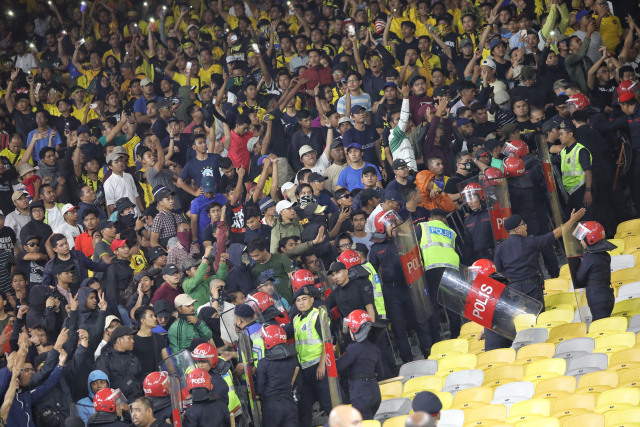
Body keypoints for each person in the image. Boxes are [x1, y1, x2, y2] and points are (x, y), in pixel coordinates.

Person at [490, 209, 586, 349]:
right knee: (538, 322)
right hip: (532, 288)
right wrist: (571, 221)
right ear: (517, 229)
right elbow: (555, 234)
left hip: (513, 292)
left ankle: (527, 350)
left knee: (521, 324)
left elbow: (499, 274)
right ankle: (542, 348)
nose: (526, 226)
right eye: (523, 224)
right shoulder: (530, 242)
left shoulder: (500, 249)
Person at [369, 211, 432, 362]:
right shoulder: (376, 249)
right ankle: (407, 358)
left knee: (420, 321)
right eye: (391, 224)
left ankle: (429, 352)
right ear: (381, 227)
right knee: (399, 327)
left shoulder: (406, 239)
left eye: (395, 223)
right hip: (391, 291)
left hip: (410, 286)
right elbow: (373, 272)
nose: (396, 226)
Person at [292, 286, 334, 426]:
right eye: (298, 300)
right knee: (304, 408)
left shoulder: (318, 315)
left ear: (311, 300)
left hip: (319, 367)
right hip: (304, 370)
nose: (301, 303)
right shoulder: (296, 320)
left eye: (304, 299)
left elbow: (327, 342)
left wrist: (322, 364)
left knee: (329, 404)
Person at [336, 310, 383, 420]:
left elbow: (339, 367)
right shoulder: (375, 348)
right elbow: (381, 373)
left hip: (360, 394)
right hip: (375, 393)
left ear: (355, 330)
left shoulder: (354, 348)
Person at [255, 324, 301, 427]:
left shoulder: (263, 363)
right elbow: (298, 382)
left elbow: (259, 389)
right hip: (290, 403)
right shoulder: (294, 359)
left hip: (271, 407)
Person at [572, 221, 616, 321]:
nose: (580, 242)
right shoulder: (605, 255)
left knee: (600, 328)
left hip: (597, 299)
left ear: (590, 239)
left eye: (582, 239)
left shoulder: (590, 257)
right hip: (607, 296)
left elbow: (579, 278)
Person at [94, 325, 144, 402]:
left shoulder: (133, 358)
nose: (133, 341)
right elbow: (102, 388)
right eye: (130, 338)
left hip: (138, 402)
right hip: (117, 406)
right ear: (119, 340)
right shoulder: (104, 360)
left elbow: (140, 378)